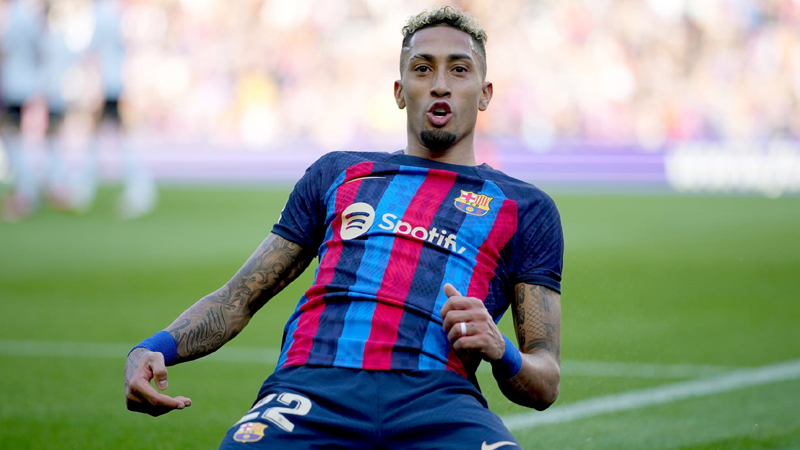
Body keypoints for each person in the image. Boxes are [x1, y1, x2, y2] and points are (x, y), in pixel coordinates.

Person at [125, 6, 563, 449]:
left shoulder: (526, 208)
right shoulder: (339, 173)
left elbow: (545, 383)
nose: (440, 84)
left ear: (485, 94)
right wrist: (151, 349)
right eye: (422, 68)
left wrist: (501, 349)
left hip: (438, 402)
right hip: (312, 389)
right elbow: (237, 299)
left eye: (459, 69)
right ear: (399, 91)